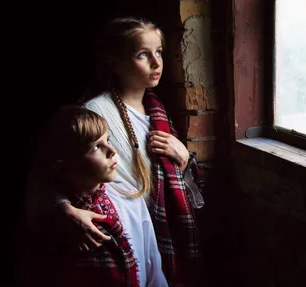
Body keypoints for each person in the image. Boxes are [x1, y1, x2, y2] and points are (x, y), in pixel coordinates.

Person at [26, 17, 205, 287]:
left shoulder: (158, 112)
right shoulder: (94, 112)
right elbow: (47, 172)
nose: (156, 63)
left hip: (150, 229)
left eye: (158, 52)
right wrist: (64, 210)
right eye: (143, 55)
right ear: (114, 62)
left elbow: (172, 184)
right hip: (114, 226)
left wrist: (182, 160)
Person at [24, 105, 168, 287]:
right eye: (95, 147)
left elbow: (152, 267)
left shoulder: (128, 197)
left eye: (108, 140)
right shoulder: (50, 219)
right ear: (63, 166)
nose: (112, 151)